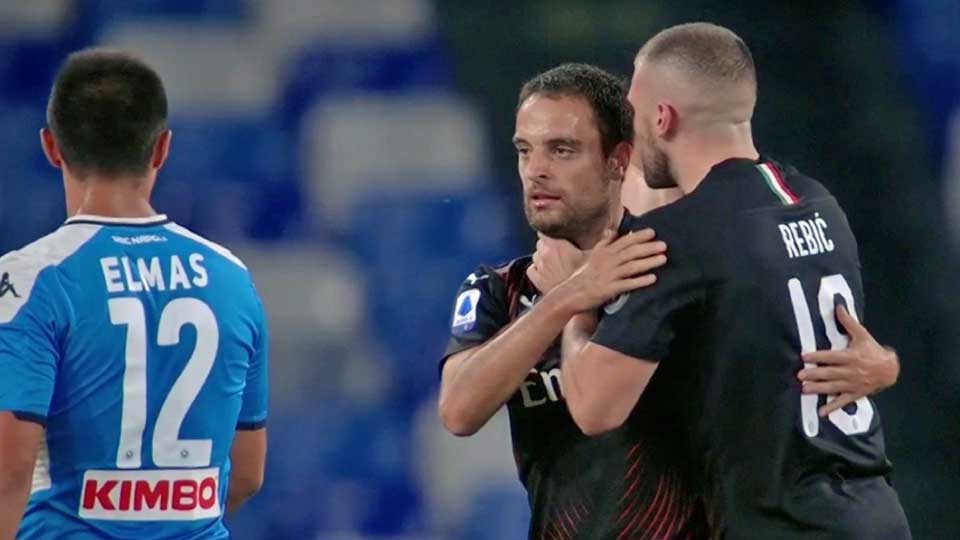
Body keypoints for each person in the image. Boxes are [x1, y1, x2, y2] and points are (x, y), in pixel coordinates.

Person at [439, 63, 898, 540]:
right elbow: (458, 411)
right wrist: (567, 298)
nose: (536, 170)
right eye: (524, 150)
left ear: (618, 161)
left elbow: (801, 346)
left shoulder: (672, 264)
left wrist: (884, 366)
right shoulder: (499, 288)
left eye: (562, 150)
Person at [548, 23, 911, 539]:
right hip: (876, 513)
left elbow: (593, 408)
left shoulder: (676, 238)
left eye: (633, 113)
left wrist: (577, 301)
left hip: (785, 525)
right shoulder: (819, 204)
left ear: (662, 117)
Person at [0, 49, 268, 539]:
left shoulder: (30, 279)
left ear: (52, 147)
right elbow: (247, 472)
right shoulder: (231, 278)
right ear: (162, 148)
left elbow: (7, 472)